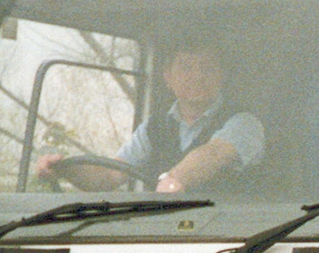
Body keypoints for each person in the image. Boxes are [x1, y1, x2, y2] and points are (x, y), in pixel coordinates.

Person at [35, 41, 264, 194]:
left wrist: (176, 180)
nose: (197, 76)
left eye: (207, 68)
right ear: (168, 77)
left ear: (221, 77)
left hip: (232, 238)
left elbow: (215, 154)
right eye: (186, 67)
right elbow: (110, 174)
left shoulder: (245, 123)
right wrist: (65, 168)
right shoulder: (155, 127)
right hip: (161, 234)